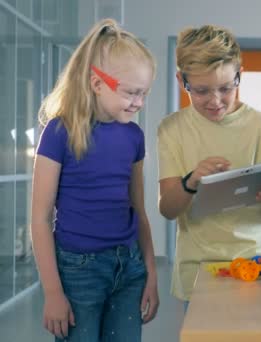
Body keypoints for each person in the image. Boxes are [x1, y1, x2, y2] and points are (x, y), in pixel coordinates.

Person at [30, 18, 159, 341]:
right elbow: (40, 219)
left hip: (129, 269)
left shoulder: (134, 137)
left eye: (144, 93)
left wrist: (151, 275)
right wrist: (53, 292)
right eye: (131, 92)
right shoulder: (59, 132)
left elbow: (138, 211)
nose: (139, 102)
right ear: (96, 82)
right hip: (78, 273)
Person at [157, 24, 261, 304]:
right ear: (181, 80)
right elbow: (167, 209)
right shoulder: (171, 129)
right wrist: (191, 181)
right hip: (198, 271)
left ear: (239, 76)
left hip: (259, 268)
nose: (215, 101)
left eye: (225, 88)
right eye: (200, 91)